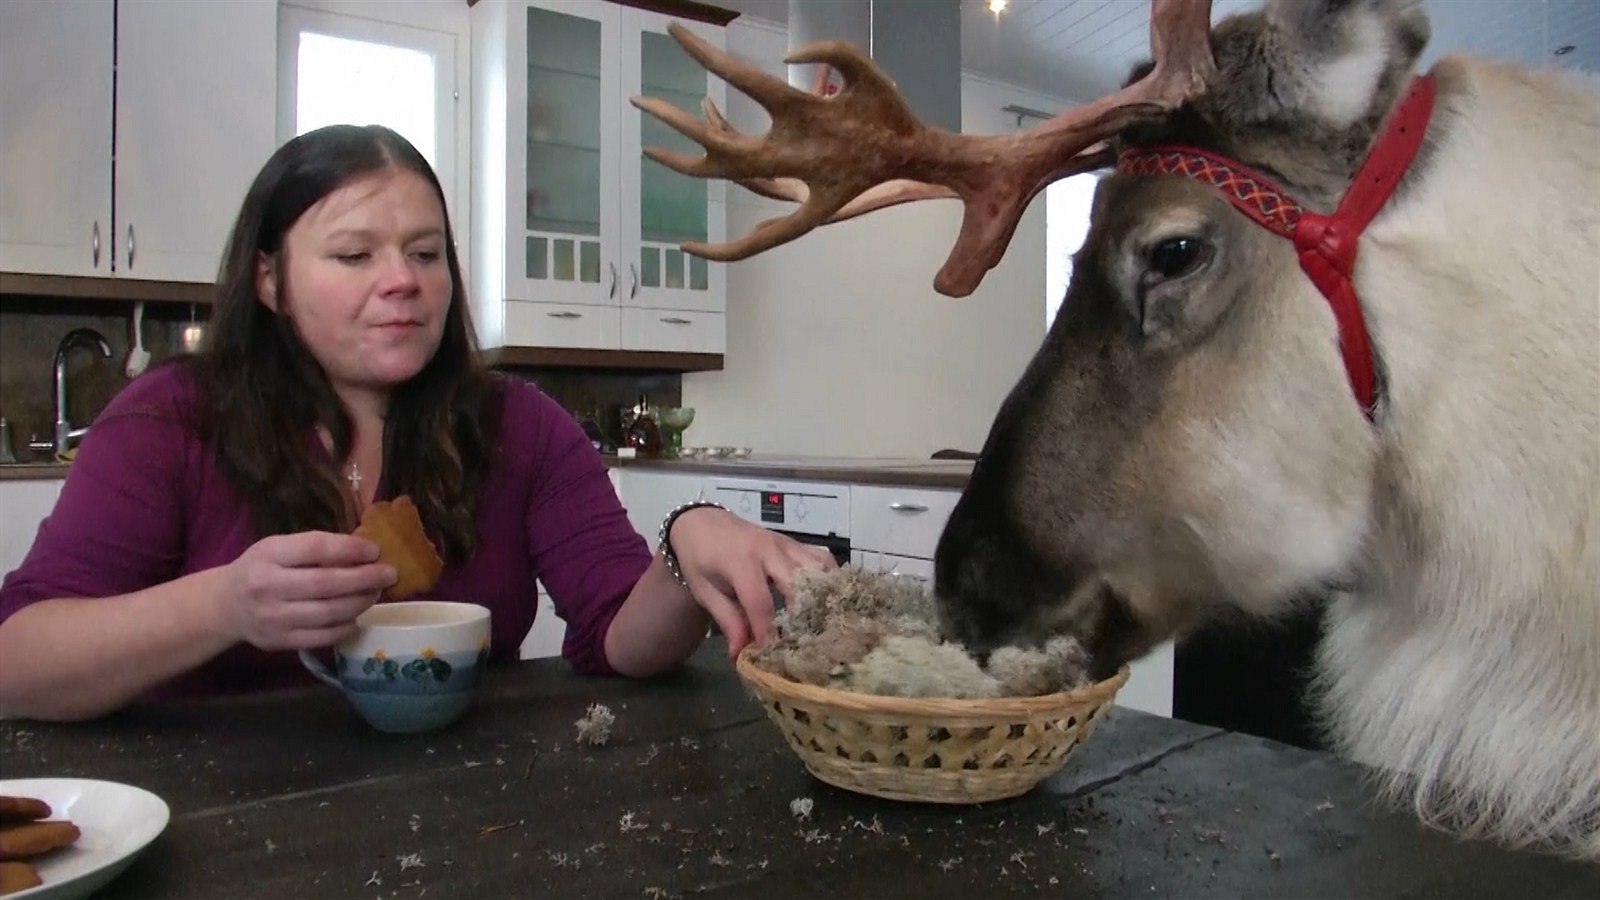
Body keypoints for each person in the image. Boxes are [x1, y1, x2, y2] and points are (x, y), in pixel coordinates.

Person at [0, 125, 834, 721]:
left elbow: (620, 636)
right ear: (269, 279)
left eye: (426, 254)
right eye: (354, 255)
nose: (403, 280)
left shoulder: (520, 426)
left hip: (468, 813)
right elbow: (17, 661)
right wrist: (223, 605)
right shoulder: (168, 423)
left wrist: (686, 546)